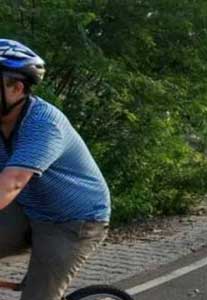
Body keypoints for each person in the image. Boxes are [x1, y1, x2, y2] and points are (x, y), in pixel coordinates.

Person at [0, 39, 111, 300]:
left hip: (74, 220)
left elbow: (12, 183)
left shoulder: (43, 124)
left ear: (16, 88)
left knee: (39, 297)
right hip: (28, 209)